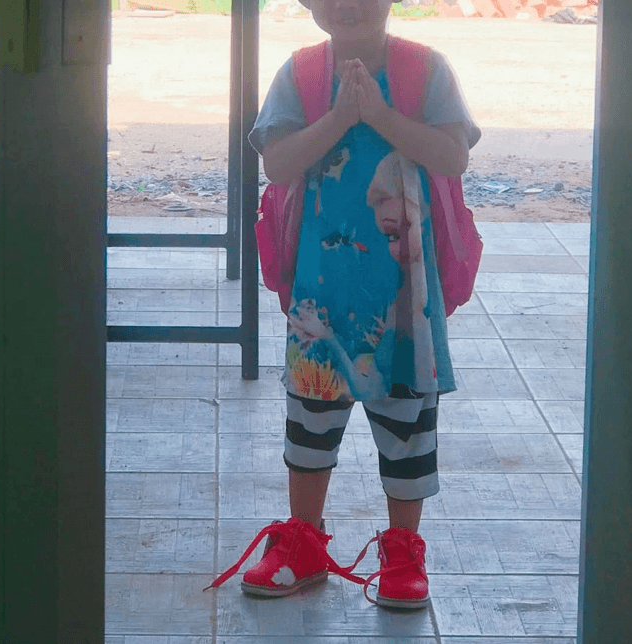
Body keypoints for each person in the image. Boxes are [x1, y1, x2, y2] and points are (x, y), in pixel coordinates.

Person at [207, 0, 481, 609]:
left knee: (407, 426)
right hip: (321, 295)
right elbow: (277, 164)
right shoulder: (300, 75)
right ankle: (304, 542)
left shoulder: (425, 70)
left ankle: (404, 549)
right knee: (310, 423)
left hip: (404, 299)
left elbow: (452, 157)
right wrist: (338, 117)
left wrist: (379, 114)